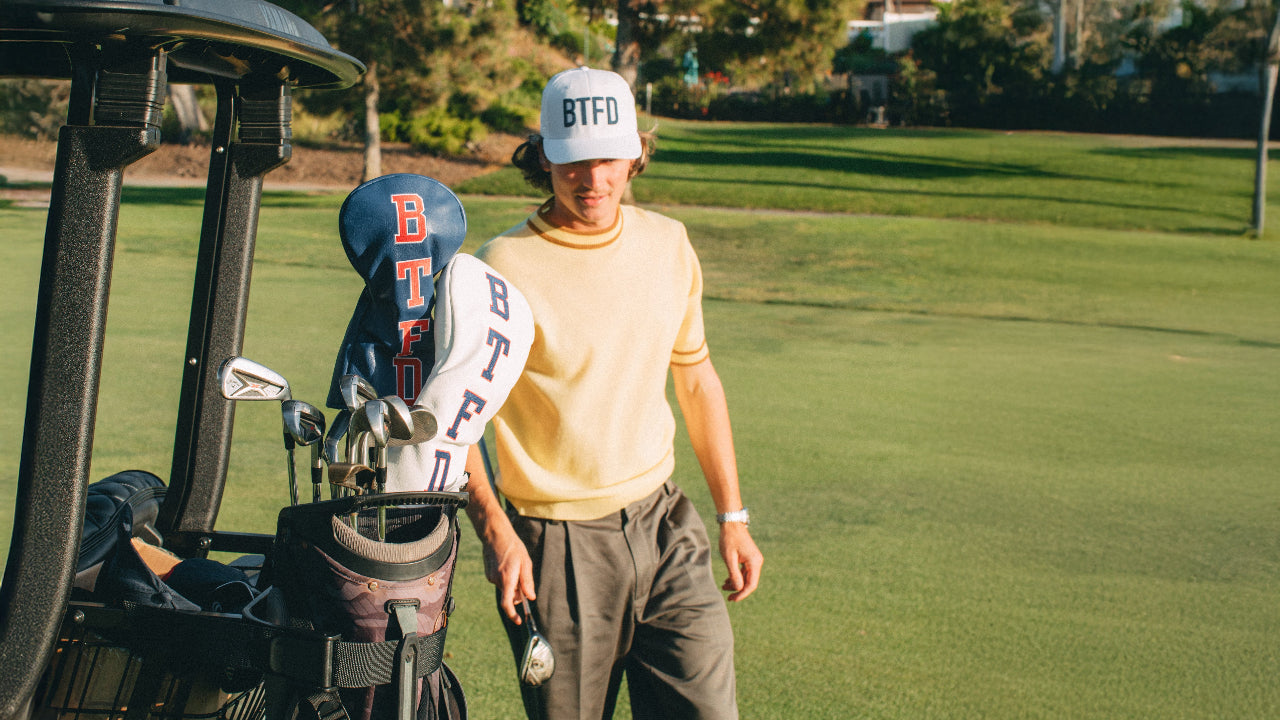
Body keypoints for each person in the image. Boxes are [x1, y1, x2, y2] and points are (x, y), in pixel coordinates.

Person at [463, 66, 763, 720]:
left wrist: (732, 517)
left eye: (608, 158)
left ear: (635, 154)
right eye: (574, 160)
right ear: (545, 157)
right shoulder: (498, 269)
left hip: (666, 524)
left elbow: (696, 378)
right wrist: (495, 530)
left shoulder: (668, 242)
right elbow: (457, 424)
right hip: (555, 546)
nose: (592, 179)